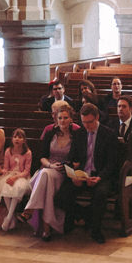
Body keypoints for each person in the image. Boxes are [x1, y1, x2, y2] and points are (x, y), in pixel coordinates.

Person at [58, 101, 120, 243]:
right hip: (82, 175)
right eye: (84, 122)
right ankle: (86, 215)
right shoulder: (79, 133)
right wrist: (74, 175)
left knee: (101, 194)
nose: (87, 126)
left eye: (90, 122)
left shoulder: (108, 134)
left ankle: (96, 230)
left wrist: (99, 178)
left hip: (100, 176)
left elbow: (112, 163)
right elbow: (71, 157)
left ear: (97, 117)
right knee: (61, 196)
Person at [25, 102, 79, 240]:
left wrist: (66, 166)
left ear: (71, 119)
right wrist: (50, 165)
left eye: (65, 118)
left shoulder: (77, 135)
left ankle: (31, 209)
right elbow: (42, 157)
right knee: (45, 177)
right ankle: (46, 229)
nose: (62, 121)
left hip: (64, 172)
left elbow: (78, 159)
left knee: (44, 176)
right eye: (60, 118)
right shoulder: (50, 134)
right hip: (49, 169)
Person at [0, 128, 34, 230]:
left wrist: (16, 177)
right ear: (12, 139)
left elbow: (26, 171)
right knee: (5, 187)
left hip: (22, 176)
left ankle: (9, 217)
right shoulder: (8, 151)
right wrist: (1, 172)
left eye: (20, 137)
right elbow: (6, 168)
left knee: (17, 188)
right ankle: (12, 216)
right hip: (10, 174)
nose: (17, 139)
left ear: (24, 140)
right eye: (15, 137)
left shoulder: (27, 153)